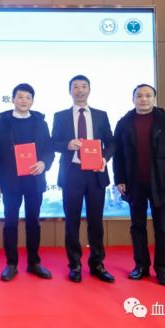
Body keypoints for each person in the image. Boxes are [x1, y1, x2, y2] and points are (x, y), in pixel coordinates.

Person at [113, 84, 165, 286]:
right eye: (139, 96)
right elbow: (118, 155)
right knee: (137, 226)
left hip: (161, 183)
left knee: (163, 228)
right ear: (133, 99)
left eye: (148, 95)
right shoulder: (124, 123)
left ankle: (163, 270)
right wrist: (120, 179)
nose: (143, 99)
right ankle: (141, 266)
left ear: (154, 98)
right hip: (134, 183)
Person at [51, 74, 116, 283]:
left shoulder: (101, 115)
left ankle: (97, 264)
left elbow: (111, 142)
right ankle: (75, 265)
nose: (80, 90)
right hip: (72, 173)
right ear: (69, 91)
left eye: (83, 86)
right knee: (72, 222)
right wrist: (67, 145)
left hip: (96, 173)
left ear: (89, 89)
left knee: (96, 222)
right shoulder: (60, 116)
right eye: (76, 87)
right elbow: (52, 143)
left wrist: (105, 158)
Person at [0, 83, 54, 281]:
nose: (24, 100)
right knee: (10, 223)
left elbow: (49, 149)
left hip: (34, 180)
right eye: (20, 97)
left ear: (32, 101)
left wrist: (44, 163)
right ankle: (11, 264)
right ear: (13, 99)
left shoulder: (40, 123)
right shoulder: (2, 123)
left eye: (28, 97)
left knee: (33, 222)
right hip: (10, 182)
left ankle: (34, 263)